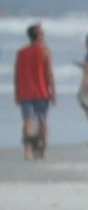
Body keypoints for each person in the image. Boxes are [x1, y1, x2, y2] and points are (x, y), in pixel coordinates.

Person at [14, 23, 55, 160]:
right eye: (42, 33)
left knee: (27, 122)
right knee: (42, 121)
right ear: (38, 36)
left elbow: (17, 74)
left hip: (25, 92)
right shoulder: (45, 51)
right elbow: (49, 74)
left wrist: (16, 93)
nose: (44, 36)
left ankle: (28, 150)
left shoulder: (21, 52)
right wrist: (53, 92)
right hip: (42, 92)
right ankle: (42, 149)